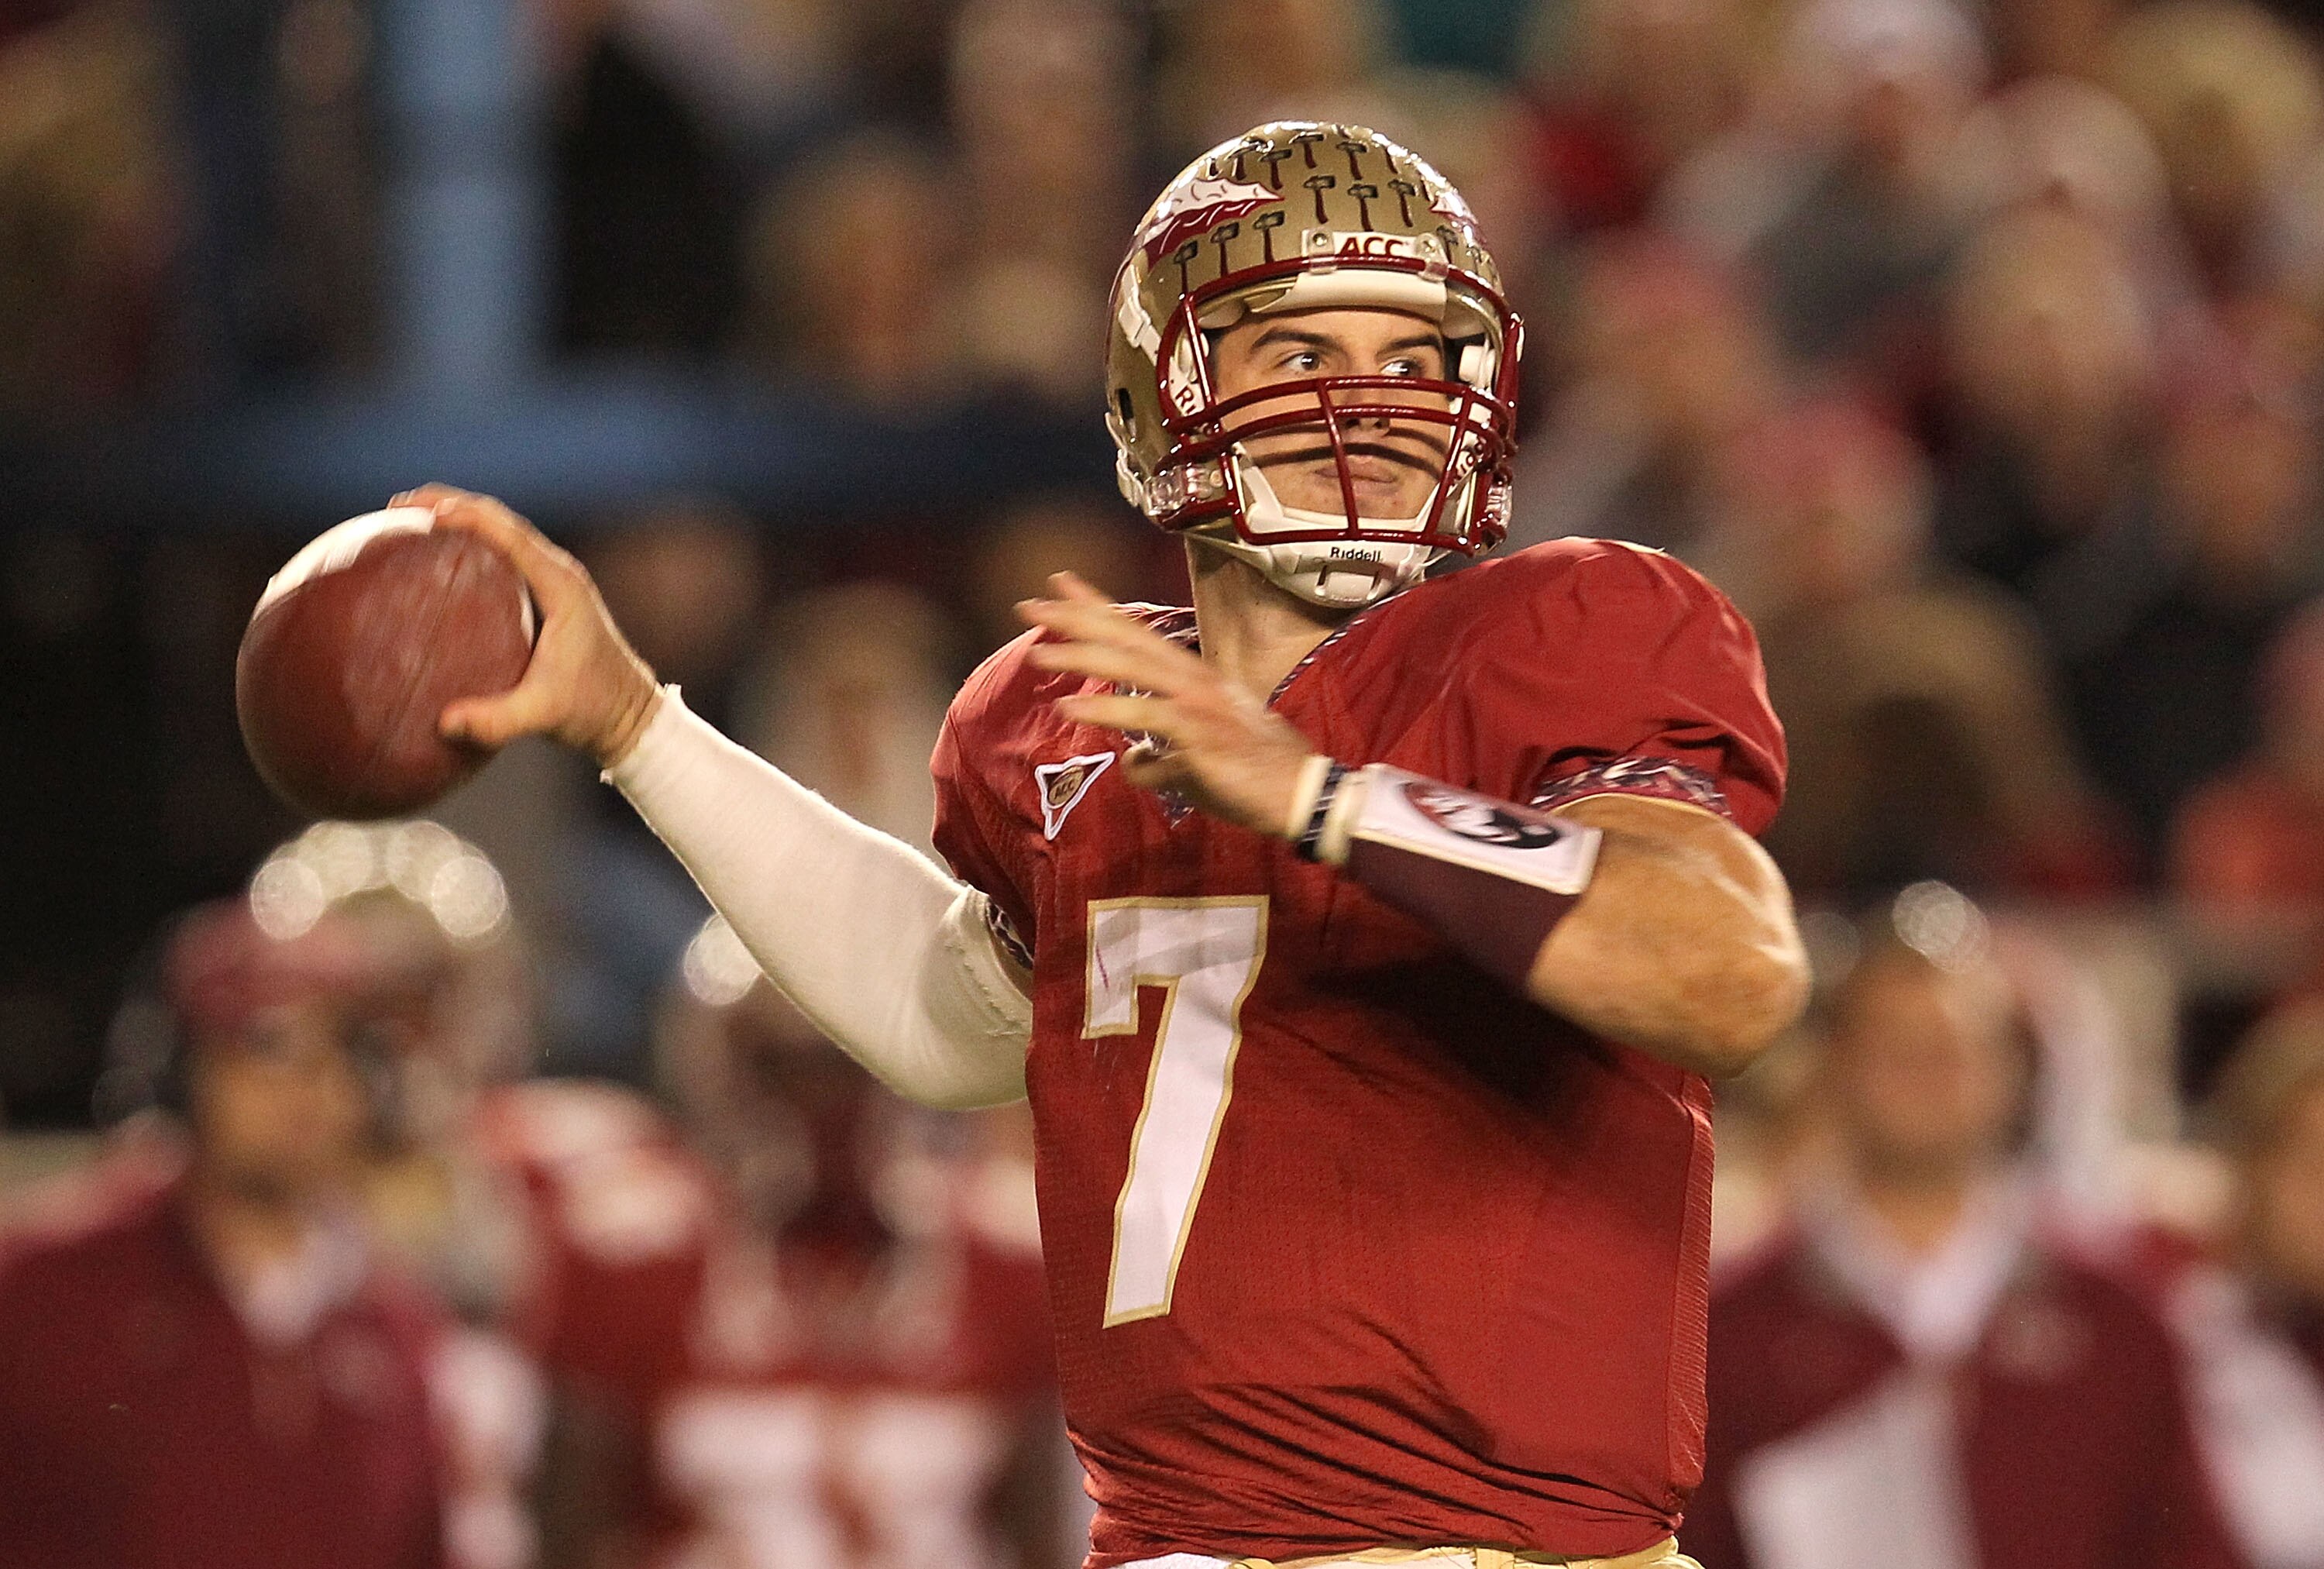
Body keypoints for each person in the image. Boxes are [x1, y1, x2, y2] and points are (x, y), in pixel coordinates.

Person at [400, 119, 1810, 1569]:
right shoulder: (1061, 714)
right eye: (1304, 351)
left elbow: (1726, 971)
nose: (1378, 404)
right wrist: (638, 724)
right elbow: (947, 1023)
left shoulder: (1558, 634)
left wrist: (1323, 799)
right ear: (1167, 394)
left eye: (1418, 358)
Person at [1685, 906, 2238, 1569]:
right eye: (1897, 1047)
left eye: (1957, 1048)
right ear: (1832, 1065)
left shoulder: (2120, 1317)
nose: (1927, 1076)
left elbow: (2192, 1549)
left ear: (2016, 1073)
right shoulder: (1725, 1327)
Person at [533, 916, 1063, 1568]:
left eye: (853, 1064)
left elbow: (1042, 1537)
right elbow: (568, 1534)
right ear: (729, 1074)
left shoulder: (1006, 1260)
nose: (828, 1102)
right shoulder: (634, 1258)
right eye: (790, 1067)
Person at [0, 897, 448, 1569]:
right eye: (268, 1044)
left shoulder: (397, 1326)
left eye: (345, 1048)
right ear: (184, 1068)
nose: (311, 1084)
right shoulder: (42, 1286)